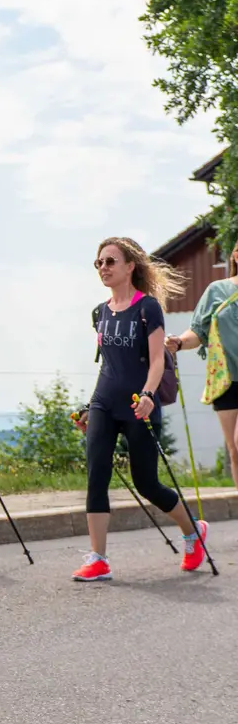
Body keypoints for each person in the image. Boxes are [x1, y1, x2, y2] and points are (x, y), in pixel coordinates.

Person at [70, 237, 210, 581]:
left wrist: (147, 395)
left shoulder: (147, 308)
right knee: (96, 475)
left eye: (110, 261)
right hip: (105, 403)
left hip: (139, 404)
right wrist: (90, 406)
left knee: (146, 482)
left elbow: (158, 359)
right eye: (99, 262)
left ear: (130, 266)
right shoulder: (99, 312)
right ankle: (98, 558)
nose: (103, 268)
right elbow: (108, 366)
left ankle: (193, 532)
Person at [165, 243, 238, 489]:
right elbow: (197, 331)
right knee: (234, 449)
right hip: (226, 380)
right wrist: (179, 342)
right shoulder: (217, 291)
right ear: (236, 256)